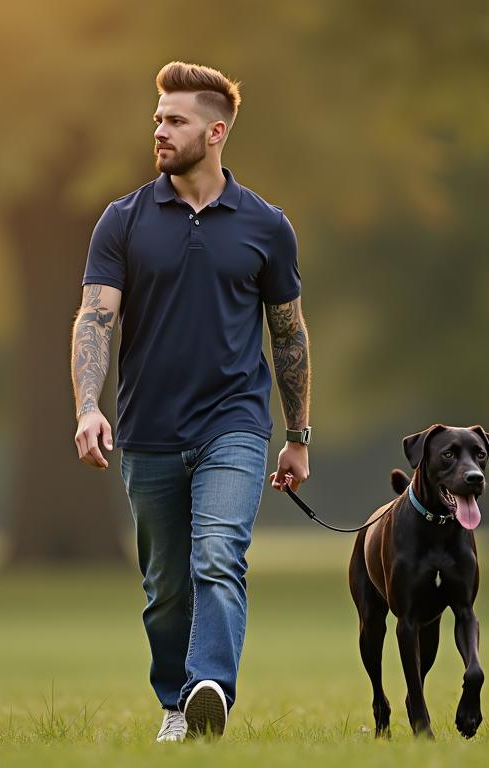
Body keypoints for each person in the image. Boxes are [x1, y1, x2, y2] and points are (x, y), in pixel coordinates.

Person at [69, 61, 313, 742]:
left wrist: (298, 435)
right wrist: (89, 405)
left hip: (234, 425)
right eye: (156, 119)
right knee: (167, 588)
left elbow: (289, 334)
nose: (159, 130)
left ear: (215, 132)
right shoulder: (122, 221)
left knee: (218, 556)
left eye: (173, 120)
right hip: (147, 431)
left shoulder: (267, 226)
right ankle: (176, 702)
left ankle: (209, 691)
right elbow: (95, 319)